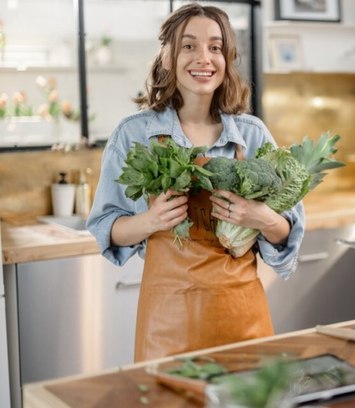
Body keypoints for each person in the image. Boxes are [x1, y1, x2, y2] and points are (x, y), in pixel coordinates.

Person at [87, 3, 304, 362]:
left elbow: (286, 233)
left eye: (215, 47)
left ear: (226, 58)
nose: (203, 58)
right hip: (167, 327)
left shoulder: (251, 136)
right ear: (168, 57)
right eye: (189, 46)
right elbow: (104, 228)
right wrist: (150, 222)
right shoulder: (134, 134)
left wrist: (260, 217)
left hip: (243, 322)